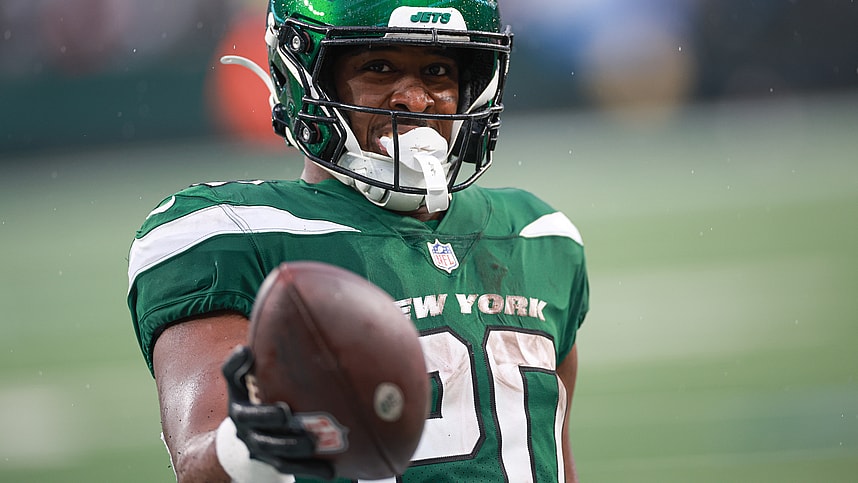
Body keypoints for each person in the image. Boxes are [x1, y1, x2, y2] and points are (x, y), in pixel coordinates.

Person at [126, 1, 589, 482]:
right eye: (379, 66)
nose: (415, 99)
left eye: (437, 70)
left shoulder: (538, 235)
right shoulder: (234, 236)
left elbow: (554, 460)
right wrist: (248, 446)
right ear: (305, 78)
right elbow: (200, 458)